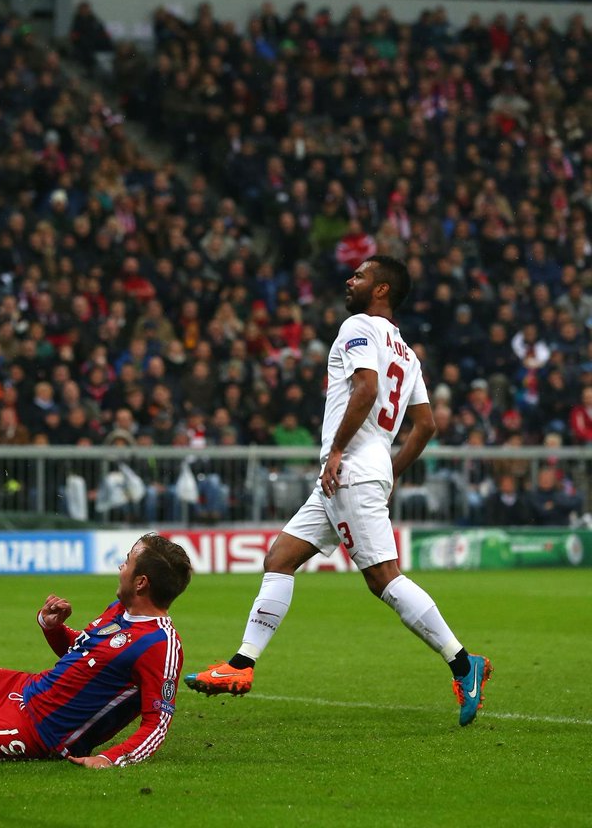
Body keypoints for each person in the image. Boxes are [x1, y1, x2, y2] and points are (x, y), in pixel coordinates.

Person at [186, 257, 492, 726]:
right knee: (280, 558)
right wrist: (387, 472)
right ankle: (242, 664)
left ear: (382, 289)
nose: (351, 280)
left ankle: (462, 662)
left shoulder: (358, 326)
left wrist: (338, 453)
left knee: (384, 579)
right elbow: (426, 424)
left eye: (361, 275)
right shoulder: (408, 354)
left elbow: (366, 388)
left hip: (346, 469)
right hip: (356, 473)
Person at [0, 532, 191, 766]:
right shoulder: (119, 610)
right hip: (25, 689)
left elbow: (157, 724)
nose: (120, 567)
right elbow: (83, 656)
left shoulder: (161, 644)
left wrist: (109, 759)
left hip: (39, 732)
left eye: (127, 562)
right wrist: (53, 628)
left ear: (141, 583)